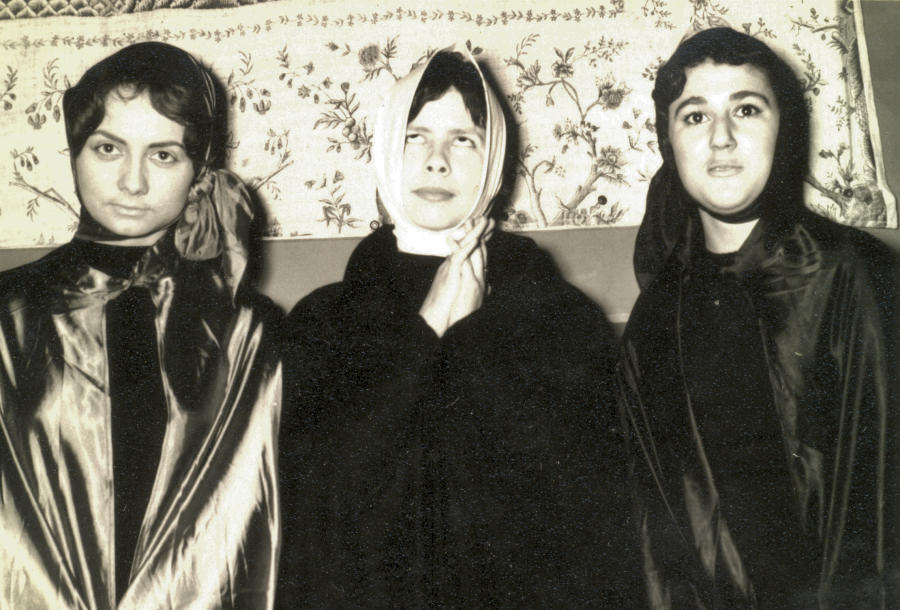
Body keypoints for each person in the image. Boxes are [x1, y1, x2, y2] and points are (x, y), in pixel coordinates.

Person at [279, 49, 630, 606]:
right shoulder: (320, 321)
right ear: (385, 149)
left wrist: (472, 344)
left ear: (494, 160)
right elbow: (315, 515)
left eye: (463, 139)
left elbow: (584, 526)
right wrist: (426, 331)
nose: (437, 161)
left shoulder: (563, 317)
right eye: (414, 136)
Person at [619, 27, 899, 607]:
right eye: (695, 116)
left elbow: (876, 519)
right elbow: (657, 545)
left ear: (782, 128)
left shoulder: (856, 275)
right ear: (668, 140)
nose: (721, 137)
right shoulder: (654, 318)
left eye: (746, 109)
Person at [0, 42, 282, 608]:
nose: (132, 182)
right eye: (108, 148)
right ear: (76, 150)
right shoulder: (9, 314)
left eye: (163, 155)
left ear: (199, 167)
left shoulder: (248, 328)